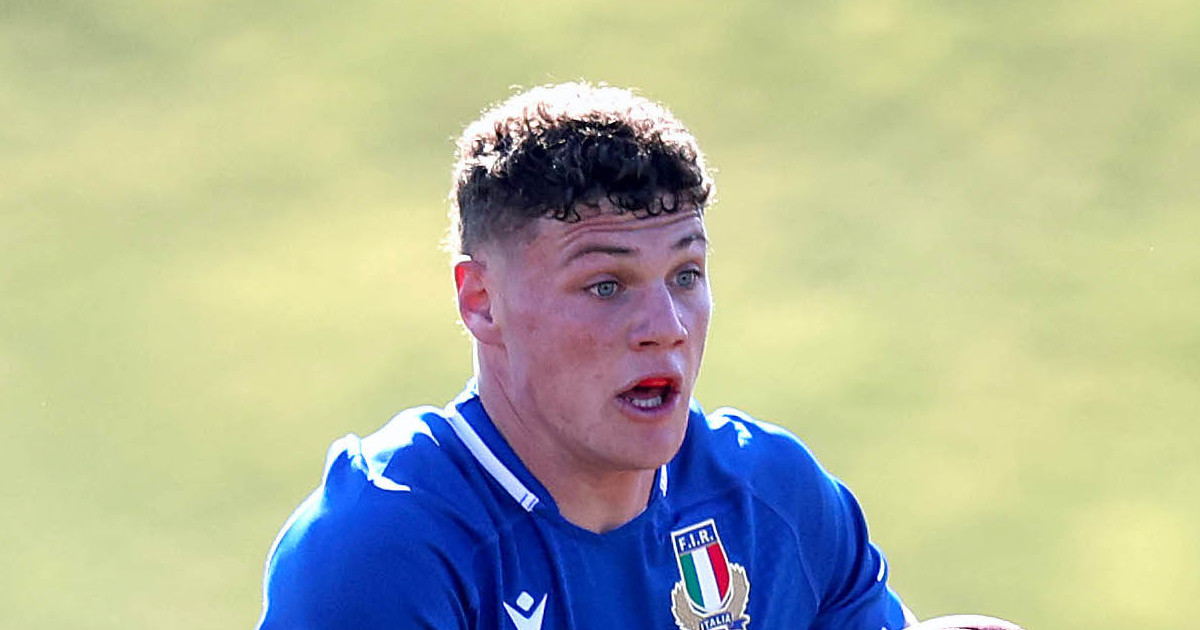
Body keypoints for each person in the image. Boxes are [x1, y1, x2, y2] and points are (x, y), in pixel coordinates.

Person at [257, 82, 1021, 630]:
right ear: (481, 301)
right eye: (605, 285)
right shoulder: (383, 548)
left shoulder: (774, 501)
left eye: (686, 274)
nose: (666, 326)